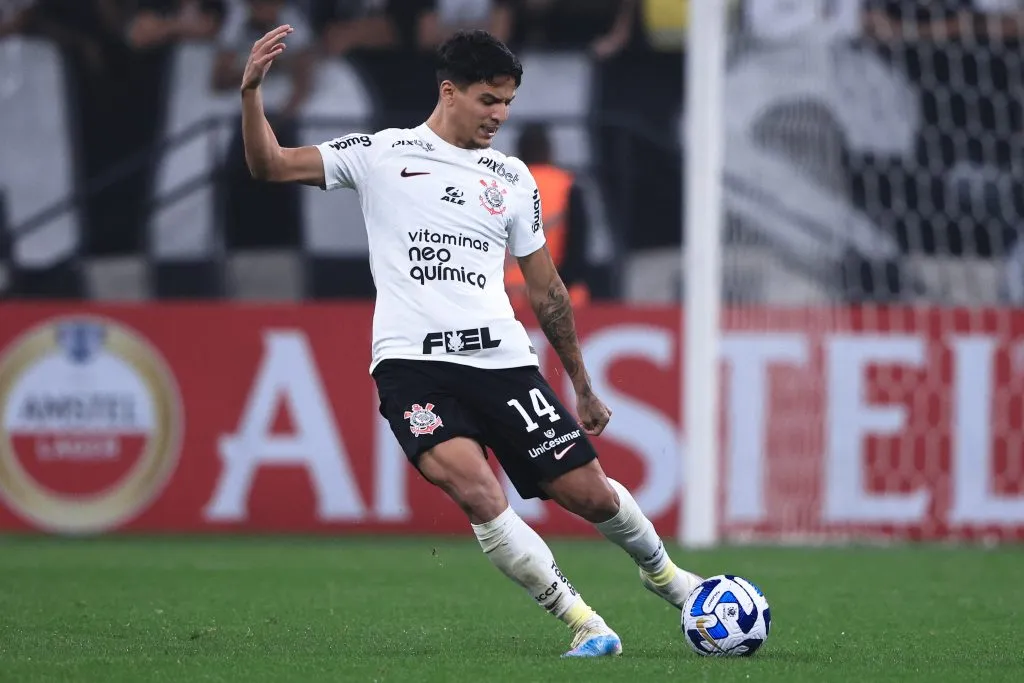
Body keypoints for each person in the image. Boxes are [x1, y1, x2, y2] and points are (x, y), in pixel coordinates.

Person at [239, 26, 703, 658]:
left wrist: (584, 386)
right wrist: (252, 93)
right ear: (448, 90)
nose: (501, 115)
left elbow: (549, 293)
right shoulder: (380, 153)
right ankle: (587, 623)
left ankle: (672, 582)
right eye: (489, 99)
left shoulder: (511, 178)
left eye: (508, 101)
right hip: (413, 366)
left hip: (502, 362)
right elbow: (269, 164)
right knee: (478, 492)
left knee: (588, 494)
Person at [504, 123, 590, 309]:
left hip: (509, 299)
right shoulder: (567, 186)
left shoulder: (501, 188)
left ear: (518, 153)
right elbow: (578, 247)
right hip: (559, 299)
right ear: (549, 151)